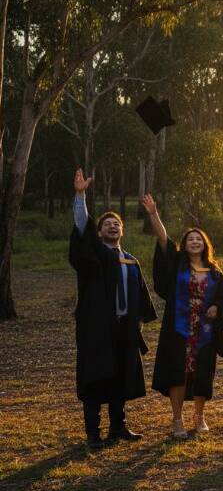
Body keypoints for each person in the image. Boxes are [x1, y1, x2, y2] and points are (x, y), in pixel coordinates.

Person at [69, 170, 157, 449]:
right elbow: (82, 227)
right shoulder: (94, 256)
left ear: (123, 230)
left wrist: (139, 321)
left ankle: (118, 427)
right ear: (99, 232)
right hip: (97, 328)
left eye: (116, 223)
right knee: (96, 377)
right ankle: (93, 433)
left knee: (121, 375)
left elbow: (141, 296)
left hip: (124, 329)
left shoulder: (131, 261)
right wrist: (81, 195)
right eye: (107, 224)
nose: (112, 226)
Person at [143, 194, 223, 439]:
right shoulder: (178, 265)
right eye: (190, 239)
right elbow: (163, 240)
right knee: (178, 372)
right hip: (179, 328)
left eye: (199, 239)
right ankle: (177, 419)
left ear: (205, 244)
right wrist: (154, 214)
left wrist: (217, 308)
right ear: (185, 244)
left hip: (204, 331)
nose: (195, 242)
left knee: (201, 372)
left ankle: (200, 416)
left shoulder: (214, 272)